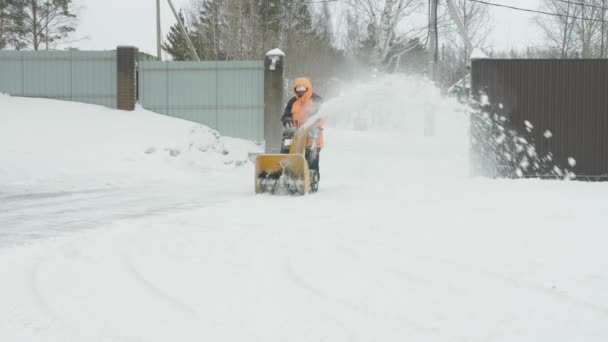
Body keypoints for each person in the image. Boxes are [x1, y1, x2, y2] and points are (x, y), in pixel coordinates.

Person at [280, 77, 324, 190]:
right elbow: (285, 115)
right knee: (287, 150)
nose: (300, 91)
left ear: (307, 88)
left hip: (312, 135)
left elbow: (323, 115)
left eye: (302, 89)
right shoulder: (292, 102)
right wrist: (287, 120)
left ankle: (312, 181)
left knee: (312, 159)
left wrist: (313, 120)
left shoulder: (316, 100)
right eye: (298, 89)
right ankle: (284, 174)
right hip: (295, 135)